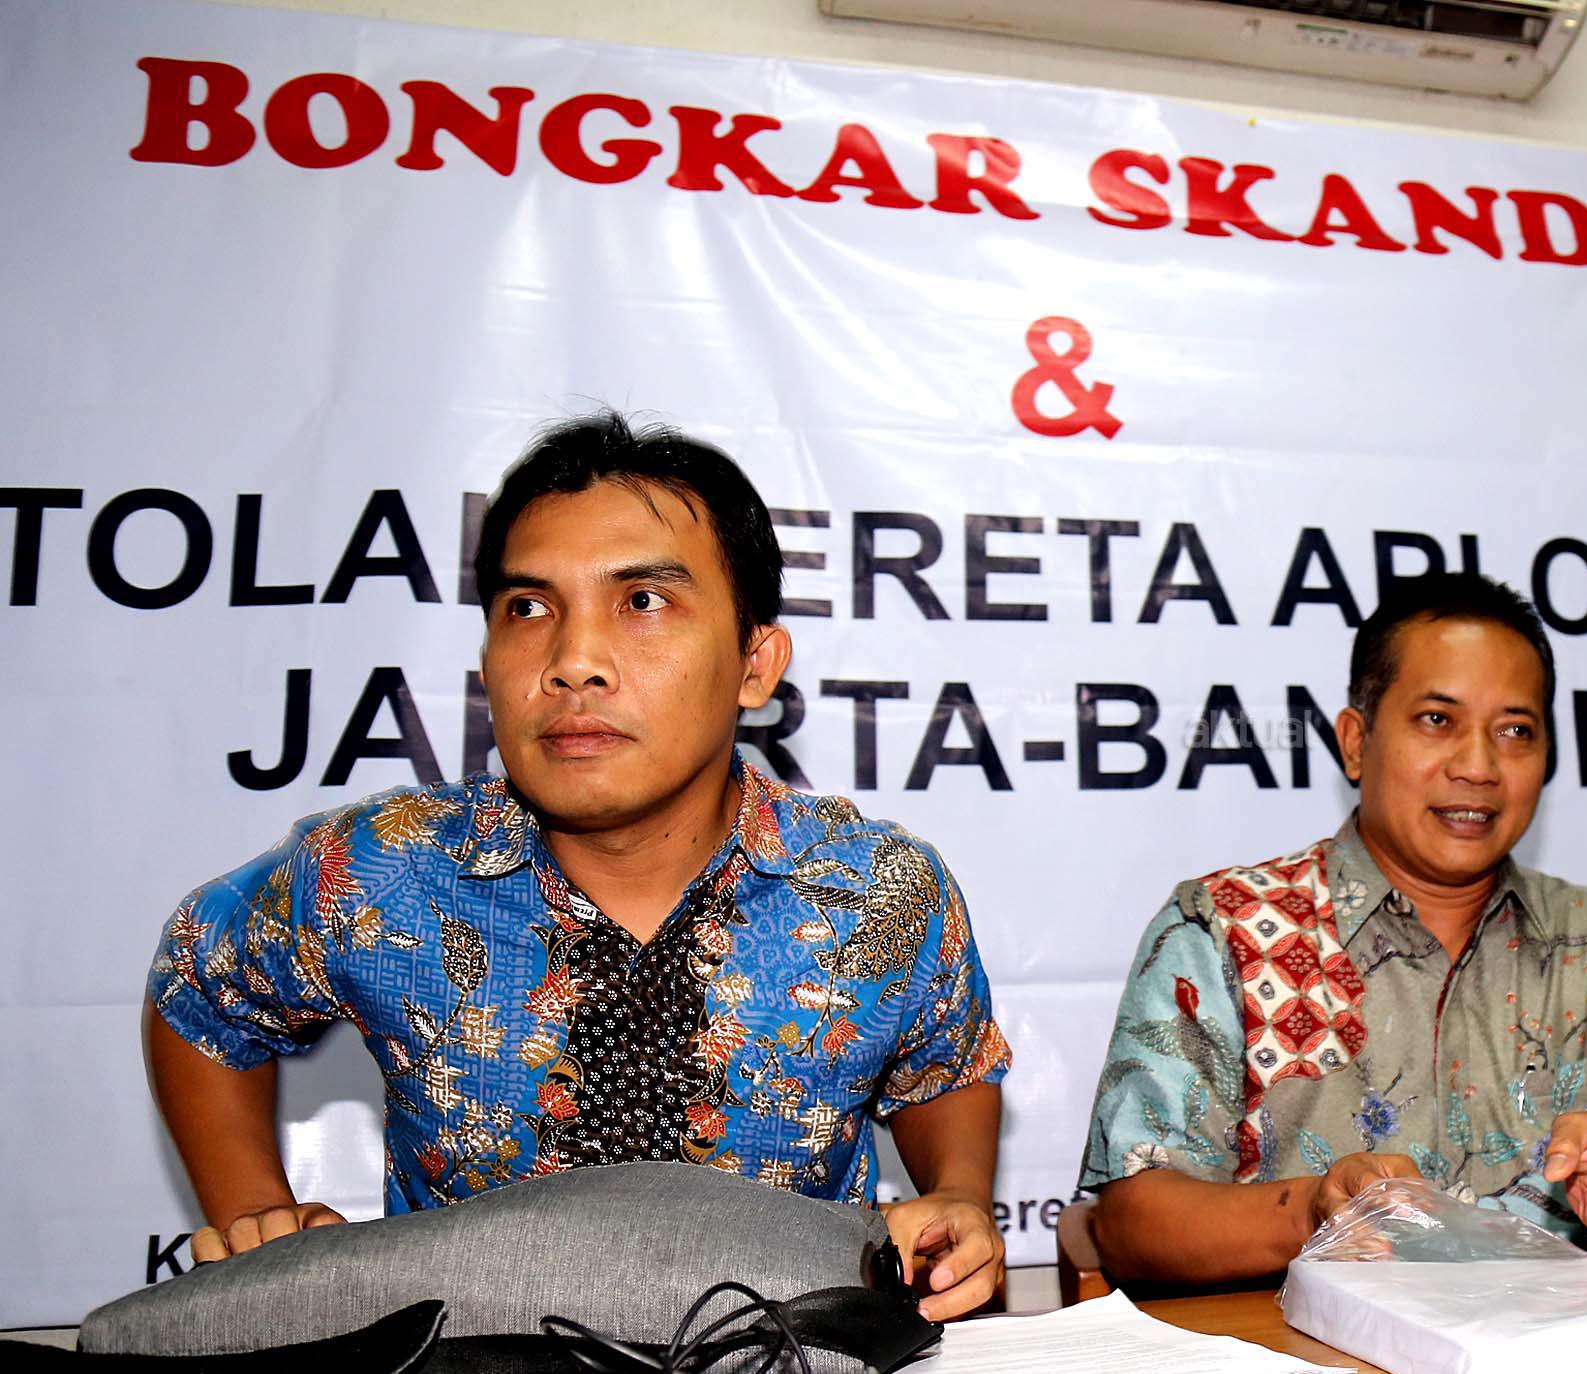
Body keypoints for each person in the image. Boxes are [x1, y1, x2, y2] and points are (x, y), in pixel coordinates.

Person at [143, 410, 1013, 1318]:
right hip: (467, 1370)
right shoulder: (383, 869)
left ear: (755, 666)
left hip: (798, 1368)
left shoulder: (873, 888)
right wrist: (253, 1217)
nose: (574, 662)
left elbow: (945, 1066)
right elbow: (198, 991)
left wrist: (958, 1191)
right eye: (529, 608)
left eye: (643, 602)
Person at [1078, 571, 1587, 1285]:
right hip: (1306, 1348)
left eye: (1516, 731)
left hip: (1567, 1339)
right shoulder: (1224, 929)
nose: (1479, 766)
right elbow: (1133, 1221)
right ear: (1355, 742)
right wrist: (1318, 1214)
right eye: (1437, 721)